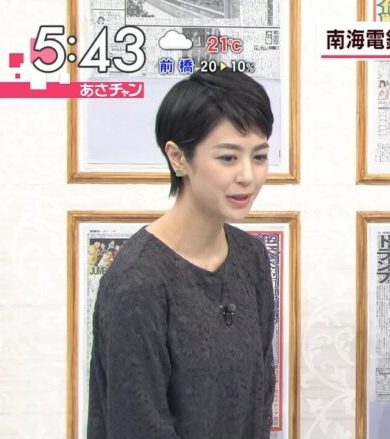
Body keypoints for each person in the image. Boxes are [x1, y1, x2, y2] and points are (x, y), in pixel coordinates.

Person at [87, 70, 276, 439]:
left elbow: (260, 396)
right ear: (178, 158)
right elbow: (137, 426)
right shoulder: (137, 280)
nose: (248, 176)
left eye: (259, 156)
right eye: (228, 158)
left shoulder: (251, 257)